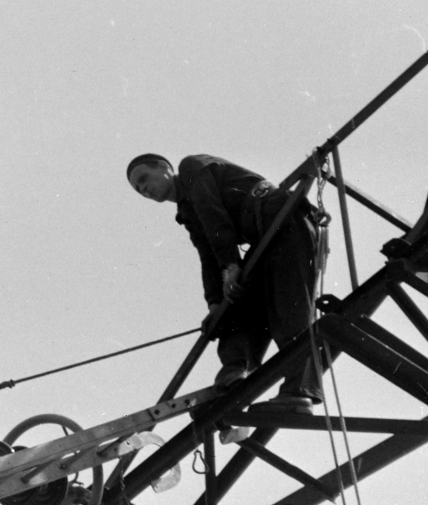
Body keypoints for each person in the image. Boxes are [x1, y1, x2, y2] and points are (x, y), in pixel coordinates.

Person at [126, 152, 324, 405]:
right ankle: (234, 378)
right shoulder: (187, 212)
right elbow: (207, 257)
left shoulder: (192, 168)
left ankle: (301, 392)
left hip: (286, 223)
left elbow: (212, 213)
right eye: (139, 189)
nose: (144, 189)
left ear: (165, 168)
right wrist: (215, 304)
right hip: (265, 240)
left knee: (288, 309)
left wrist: (231, 265)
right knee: (232, 310)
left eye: (144, 179)